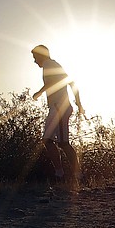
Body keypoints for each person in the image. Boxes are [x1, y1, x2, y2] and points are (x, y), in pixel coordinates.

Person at [31, 44, 84, 183]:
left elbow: (54, 83)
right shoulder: (54, 65)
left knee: (62, 142)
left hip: (60, 107)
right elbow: (71, 82)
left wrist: (39, 92)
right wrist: (78, 103)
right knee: (49, 140)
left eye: (35, 57)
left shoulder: (49, 65)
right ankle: (61, 174)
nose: (34, 61)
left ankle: (75, 175)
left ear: (41, 55)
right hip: (57, 107)